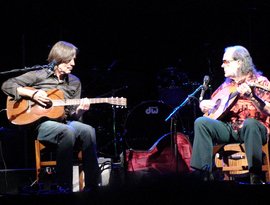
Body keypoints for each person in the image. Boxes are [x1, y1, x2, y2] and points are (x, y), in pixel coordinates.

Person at [1, 41, 100, 192]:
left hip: (64, 122)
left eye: (74, 59)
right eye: (69, 59)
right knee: (67, 132)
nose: (73, 63)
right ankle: (63, 186)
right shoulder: (39, 74)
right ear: (59, 58)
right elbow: (7, 85)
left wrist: (80, 111)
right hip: (41, 124)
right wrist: (32, 93)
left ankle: (92, 186)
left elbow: (73, 116)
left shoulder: (74, 82)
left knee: (88, 130)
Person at [190, 45, 270, 184]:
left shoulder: (261, 82)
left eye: (226, 62)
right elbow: (215, 108)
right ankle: (203, 175)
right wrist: (205, 106)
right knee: (201, 122)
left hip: (255, 129)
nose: (222, 65)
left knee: (250, 123)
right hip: (230, 129)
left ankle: (255, 177)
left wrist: (252, 97)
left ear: (239, 62)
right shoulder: (226, 86)